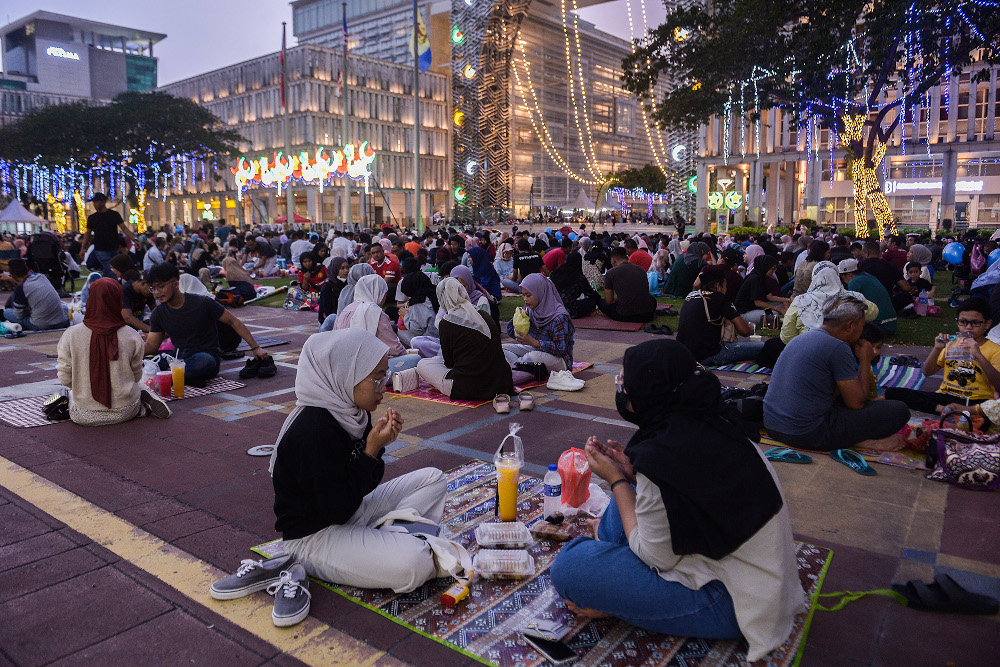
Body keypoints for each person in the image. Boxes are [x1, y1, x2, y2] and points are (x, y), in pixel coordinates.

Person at [549, 340, 802, 663]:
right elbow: (690, 494)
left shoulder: (663, 457)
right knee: (622, 511)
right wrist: (632, 473)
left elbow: (656, 557)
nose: (621, 392)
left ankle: (618, 600)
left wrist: (618, 480)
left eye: (625, 385)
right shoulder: (711, 421)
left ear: (649, 396)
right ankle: (616, 574)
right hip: (742, 571)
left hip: (733, 602)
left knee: (572, 566)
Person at [269, 329, 447, 593]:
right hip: (315, 536)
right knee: (414, 564)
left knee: (434, 478)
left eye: (384, 375)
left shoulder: (351, 412)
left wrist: (374, 449)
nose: (383, 387)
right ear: (346, 375)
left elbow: (365, 485)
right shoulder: (312, 430)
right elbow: (336, 510)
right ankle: (389, 542)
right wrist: (370, 451)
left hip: (351, 510)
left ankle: (383, 541)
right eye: (377, 378)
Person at [763, 295, 910, 450]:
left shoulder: (803, 337)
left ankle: (849, 437)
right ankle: (858, 441)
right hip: (805, 432)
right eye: (861, 326)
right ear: (850, 326)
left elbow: (833, 393)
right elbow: (856, 403)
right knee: (898, 411)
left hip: (773, 425)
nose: (861, 332)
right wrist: (865, 360)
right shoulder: (838, 347)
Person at [56, 278, 170, 425]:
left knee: (71, 394)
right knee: (140, 385)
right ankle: (144, 405)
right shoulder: (131, 335)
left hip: (84, 415)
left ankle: (140, 405)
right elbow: (136, 375)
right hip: (126, 411)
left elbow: (64, 376)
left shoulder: (71, 335)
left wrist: (82, 387)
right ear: (118, 301)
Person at [143, 263, 273, 385]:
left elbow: (233, 321)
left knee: (202, 362)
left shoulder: (201, 302)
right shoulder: (158, 313)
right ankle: (180, 377)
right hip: (177, 358)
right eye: (152, 288)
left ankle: (171, 377)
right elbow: (152, 345)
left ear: (176, 284)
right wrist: (129, 356)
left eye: (160, 287)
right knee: (147, 363)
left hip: (205, 356)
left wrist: (256, 348)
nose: (156, 292)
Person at [885, 298, 1000, 413]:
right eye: (963, 322)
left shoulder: (995, 350)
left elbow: (998, 384)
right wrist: (937, 348)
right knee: (893, 392)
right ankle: (942, 409)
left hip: (976, 401)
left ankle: (959, 412)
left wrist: (978, 354)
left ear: (987, 324)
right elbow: (927, 372)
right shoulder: (952, 344)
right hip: (946, 397)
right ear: (957, 322)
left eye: (975, 323)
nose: (968, 327)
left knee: (993, 410)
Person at [416, 278, 514, 400]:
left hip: (470, 388)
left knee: (422, 364)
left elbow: (449, 363)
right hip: (501, 383)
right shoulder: (483, 314)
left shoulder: (446, 323)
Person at [677, 266, 763, 365]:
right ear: (718, 286)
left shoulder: (691, 296)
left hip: (684, 354)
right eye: (725, 286)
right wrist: (751, 328)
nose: (726, 289)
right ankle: (731, 359)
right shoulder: (720, 298)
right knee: (763, 347)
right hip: (708, 355)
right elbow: (744, 331)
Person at [335, 274, 420, 372]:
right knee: (415, 359)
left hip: (343, 367)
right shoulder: (374, 312)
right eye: (384, 292)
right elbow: (395, 349)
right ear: (377, 292)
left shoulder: (347, 309)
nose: (385, 296)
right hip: (368, 370)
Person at [780, 261, 877, 344]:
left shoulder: (801, 301)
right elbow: (873, 313)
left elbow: (787, 336)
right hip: (845, 350)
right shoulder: (853, 297)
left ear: (814, 277)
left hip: (809, 350)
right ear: (836, 276)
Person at [503, 273, 575, 372]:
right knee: (503, 349)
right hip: (534, 350)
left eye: (528, 295)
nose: (525, 299)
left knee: (533, 357)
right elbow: (511, 331)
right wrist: (519, 320)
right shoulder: (530, 309)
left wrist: (535, 343)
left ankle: (516, 368)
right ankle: (519, 367)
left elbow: (561, 349)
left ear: (540, 293)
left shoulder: (559, 317)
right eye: (523, 295)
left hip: (559, 360)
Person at [1, 259, 69, 330]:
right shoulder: (41, 277)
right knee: (64, 307)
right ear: (27, 269)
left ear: (13, 275)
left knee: (7, 312)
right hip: (62, 321)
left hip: (41, 324)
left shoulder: (21, 289)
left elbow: (19, 316)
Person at [836, 259, 897, 335]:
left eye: (842, 278)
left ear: (848, 275)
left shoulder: (854, 281)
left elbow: (850, 307)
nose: (843, 281)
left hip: (879, 326)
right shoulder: (870, 276)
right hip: (891, 324)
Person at [81, 193, 134, 278]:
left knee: (109, 270)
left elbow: (124, 228)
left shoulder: (114, 215)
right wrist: (83, 247)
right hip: (101, 249)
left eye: (96, 202)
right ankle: (115, 287)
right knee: (110, 270)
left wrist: (134, 240)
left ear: (103, 202)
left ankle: (104, 285)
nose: (94, 204)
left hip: (113, 248)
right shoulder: (92, 218)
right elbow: (87, 234)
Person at [599, 247, 658, 322]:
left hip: (625, 315)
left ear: (613, 259)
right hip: (647, 315)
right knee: (652, 299)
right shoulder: (641, 269)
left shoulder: (611, 273)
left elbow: (609, 301)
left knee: (601, 302)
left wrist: (619, 300)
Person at [733, 256, 789, 326]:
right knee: (775, 314)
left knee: (781, 305)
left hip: (754, 308)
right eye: (772, 268)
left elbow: (770, 297)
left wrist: (788, 300)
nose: (774, 271)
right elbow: (758, 303)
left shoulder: (760, 276)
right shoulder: (755, 279)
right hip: (744, 313)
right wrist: (778, 309)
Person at [859, 241, 911, 311]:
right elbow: (906, 287)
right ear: (880, 253)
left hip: (865, 302)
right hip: (886, 303)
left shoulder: (859, 266)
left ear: (866, 253)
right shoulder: (890, 266)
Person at [550, 253, 601, 318]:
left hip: (553, 307)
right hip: (569, 309)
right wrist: (599, 299)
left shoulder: (557, 272)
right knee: (593, 301)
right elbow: (590, 292)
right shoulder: (578, 276)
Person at [396, 271, 439, 348]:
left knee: (400, 333)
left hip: (432, 340)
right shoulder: (435, 293)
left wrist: (406, 315)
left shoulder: (418, 302)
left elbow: (417, 330)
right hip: (441, 335)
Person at [318, 257, 349, 330]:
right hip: (329, 323)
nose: (346, 271)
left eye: (347, 268)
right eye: (342, 268)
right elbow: (327, 312)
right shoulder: (328, 286)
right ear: (335, 269)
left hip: (344, 320)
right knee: (332, 317)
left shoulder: (348, 284)